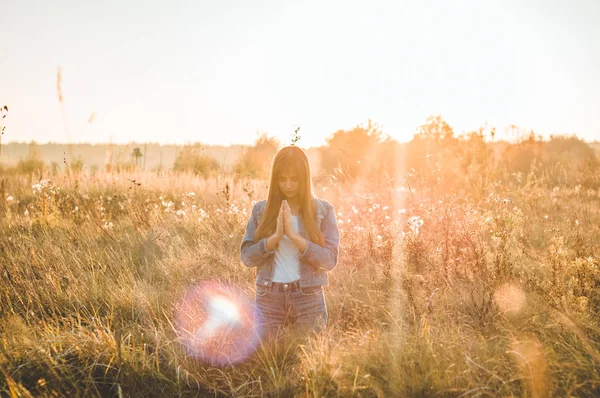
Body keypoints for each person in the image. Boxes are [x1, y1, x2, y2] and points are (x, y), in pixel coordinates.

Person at [240, 145, 340, 340]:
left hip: (308, 298)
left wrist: (295, 237)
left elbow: (330, 260)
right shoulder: (261, 211)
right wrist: (275, 238)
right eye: (282, 179)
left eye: (294, 179)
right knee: (268, 361)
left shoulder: (323, 210)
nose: (288, 185)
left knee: (309, 362)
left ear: (304, 179)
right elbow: (247, 257)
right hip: (269, 298)